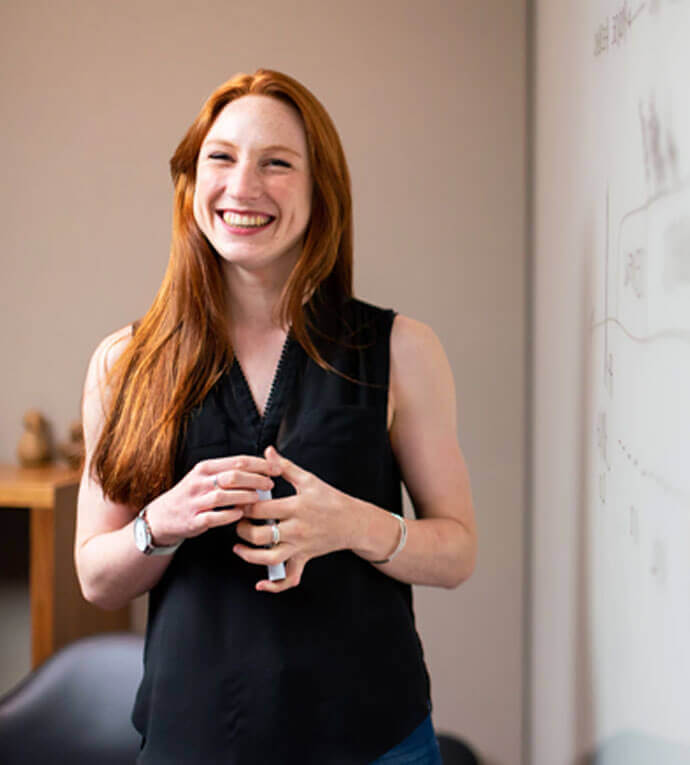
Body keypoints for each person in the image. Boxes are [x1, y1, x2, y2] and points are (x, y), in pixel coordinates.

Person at [74, 68, 477, 765]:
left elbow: (457, 550)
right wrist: (160, 523)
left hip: (374, 745)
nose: (243, 186)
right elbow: (96, 576)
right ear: (191, 182)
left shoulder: (402, 350)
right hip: (191, 744)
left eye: (277, 164)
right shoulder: (123, 362)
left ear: (321, 190)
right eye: (221, 158)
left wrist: (354, 523)